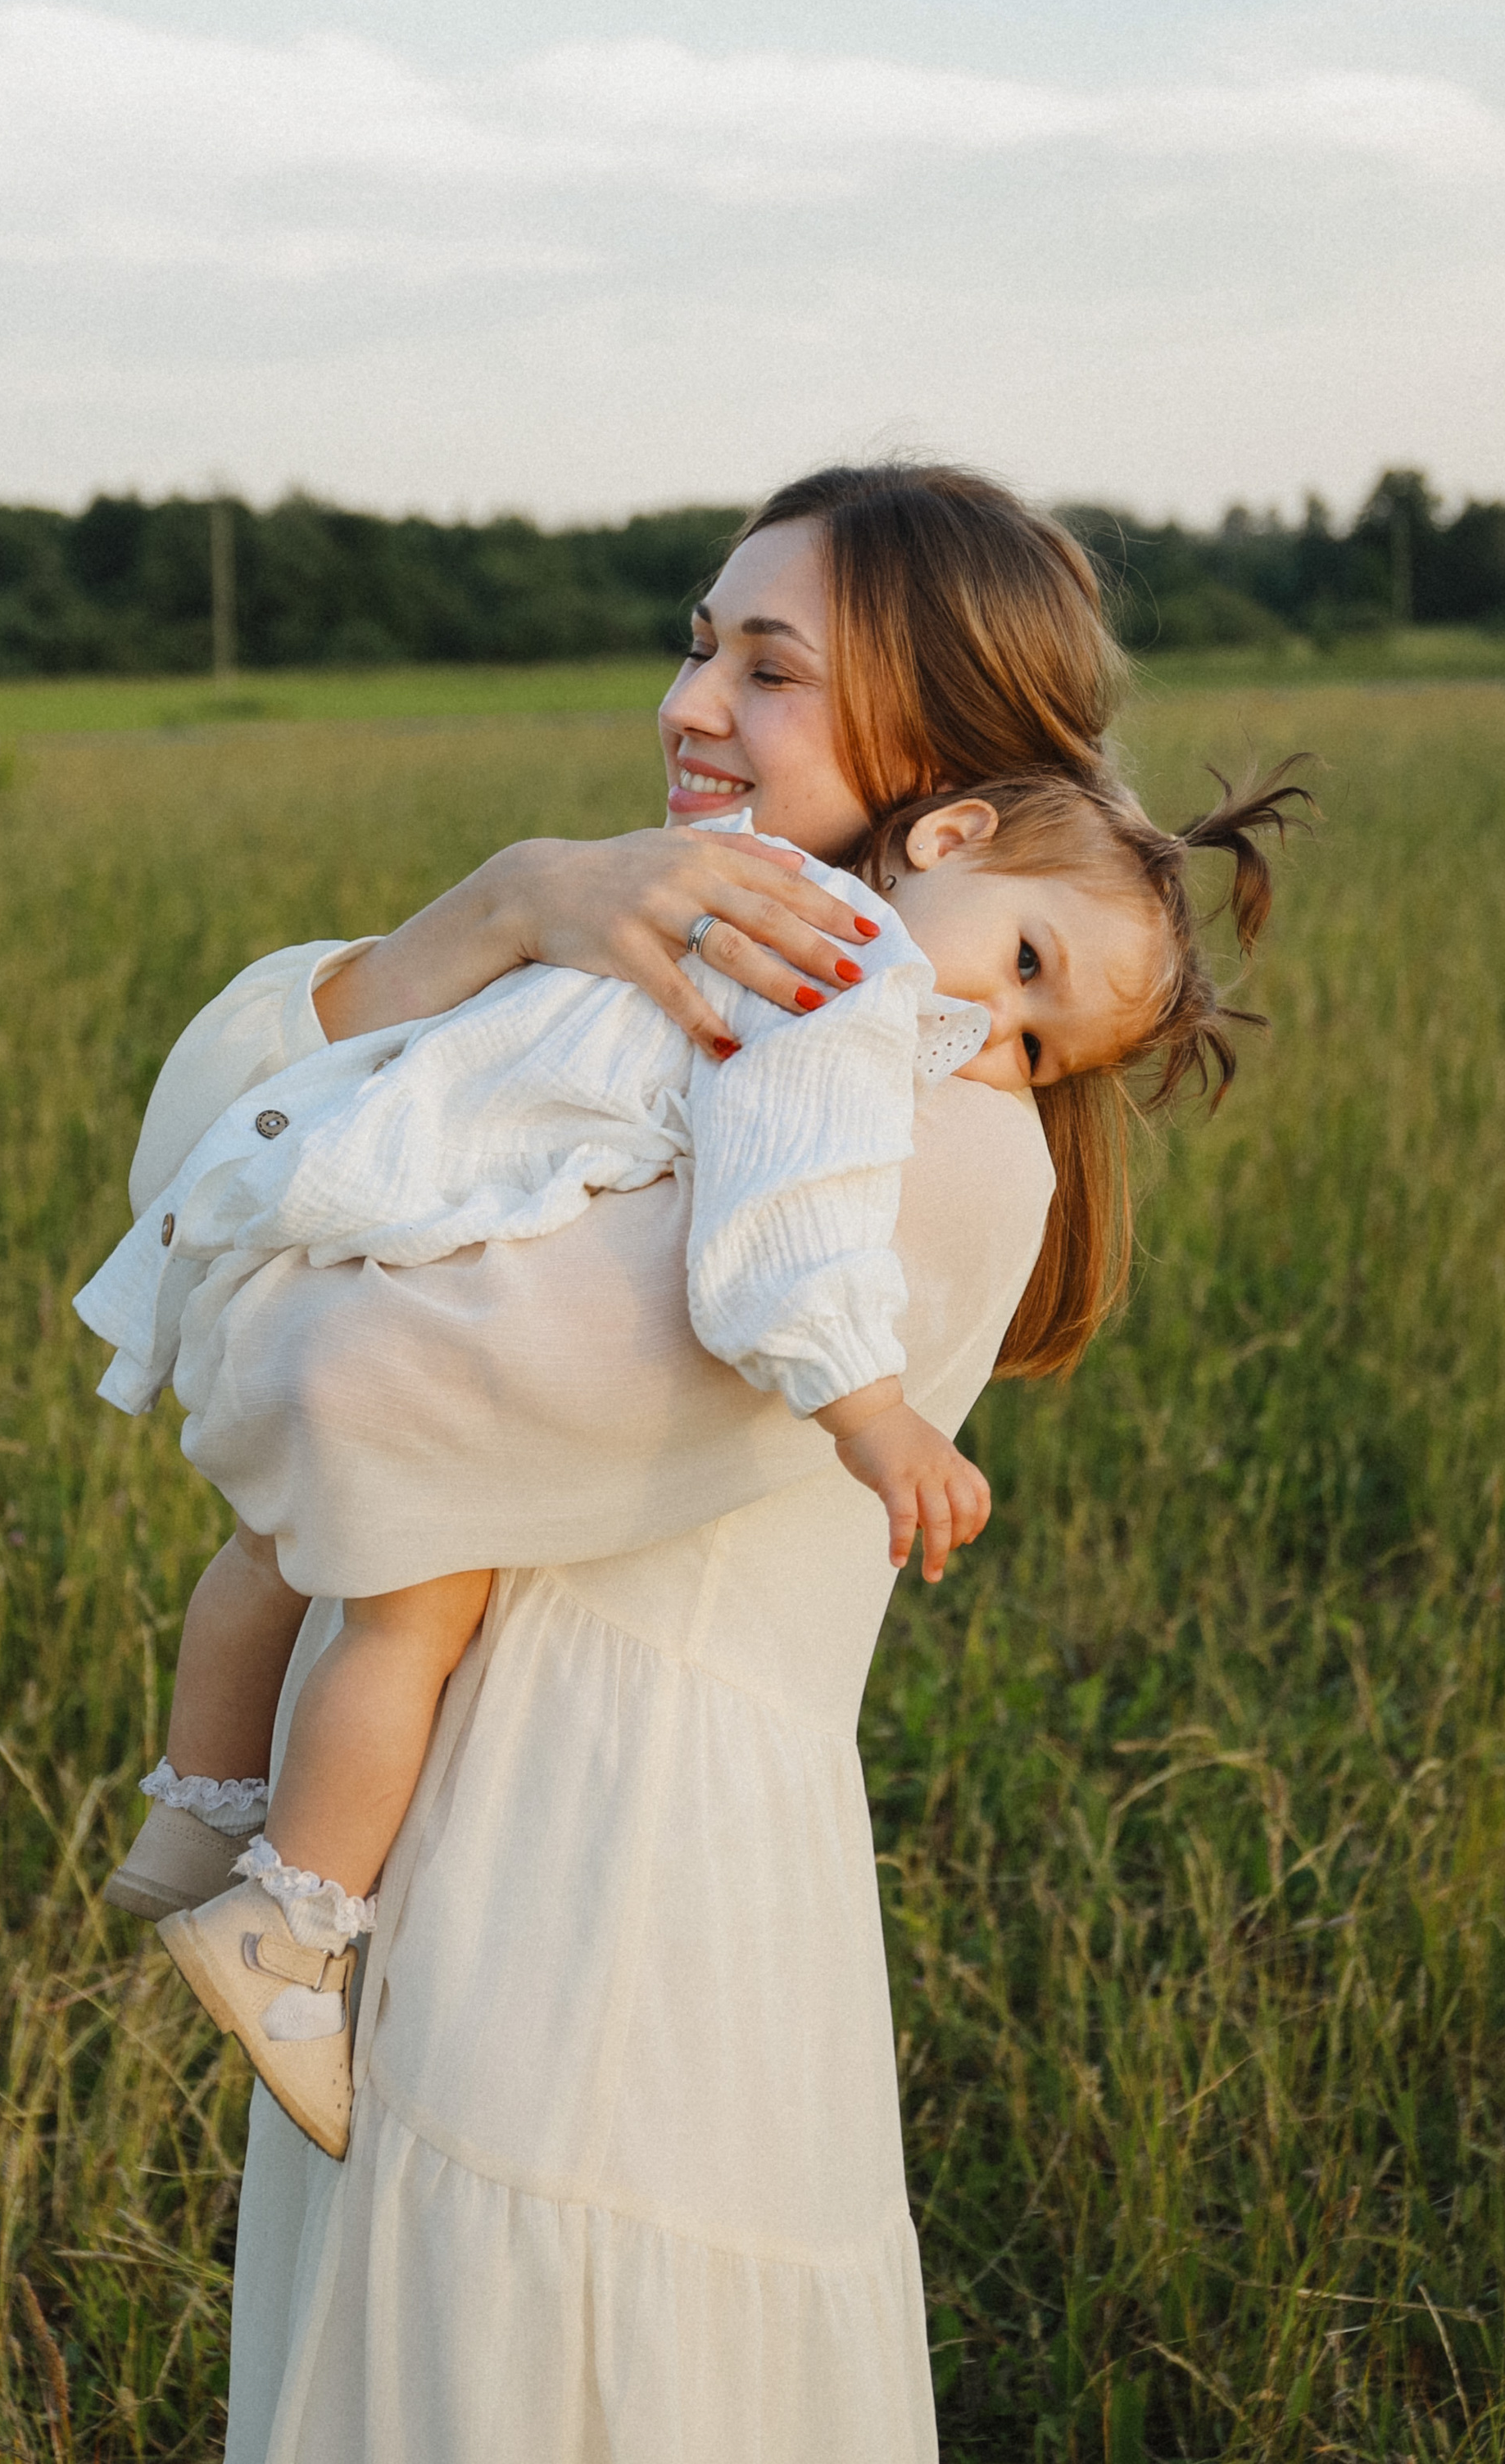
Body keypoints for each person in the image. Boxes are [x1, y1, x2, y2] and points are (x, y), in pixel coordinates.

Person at [96, 462, 1299, 2461]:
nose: (690, 704)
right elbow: (194, 1166)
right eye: (695, 643)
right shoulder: (676, 1009)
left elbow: (334, 1382)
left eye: (769, 669)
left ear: (936, 772)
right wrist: (497, 907)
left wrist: (322, 1226)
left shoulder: (909, 1130)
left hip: (594, 1890)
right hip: (428, 1839)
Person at [79, 762, 1299, 2160]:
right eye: (1025, 963)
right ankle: (283, 1929)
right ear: (948, 835)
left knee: (266, 1550)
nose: (987, 1031)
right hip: (400, 1251)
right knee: (410, 1609)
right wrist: (874, 1411)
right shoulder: (849, 985)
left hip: (308, 1208)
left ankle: (187, 1823)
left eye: (1035, 1049)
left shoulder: (736, 882)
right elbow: (776, 1238)